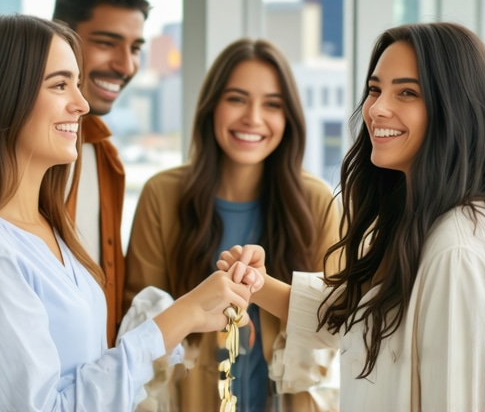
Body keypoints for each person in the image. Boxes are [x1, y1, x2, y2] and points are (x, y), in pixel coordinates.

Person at [0, 14, 262, 412]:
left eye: (77, 84)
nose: (81, 103)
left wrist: (195, 315)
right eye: (60, 85)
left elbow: (91, 372)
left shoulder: (52, 230)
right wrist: (180, 316)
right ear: (4, 97)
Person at [219, 22, 485, 412]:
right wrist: (258, 285)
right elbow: (357, 317)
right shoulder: (415, 222)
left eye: (407, 92)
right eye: (376, 89)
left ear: (454, 108)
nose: (376, 108)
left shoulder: (455, 252)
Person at [124, 38, 341, 412]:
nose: (253, 118)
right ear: (212, 107)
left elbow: (335, 327)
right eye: (237, 99)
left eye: (272, 104)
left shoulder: (316, 201)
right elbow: (139, 330)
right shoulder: (162, 195)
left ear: (289, 117)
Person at [53, 0, 149, 347]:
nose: (125, 65)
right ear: (62, 35)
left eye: (136, 47)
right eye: (106, 42)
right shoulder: (3, 155)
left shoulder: (104, 157)